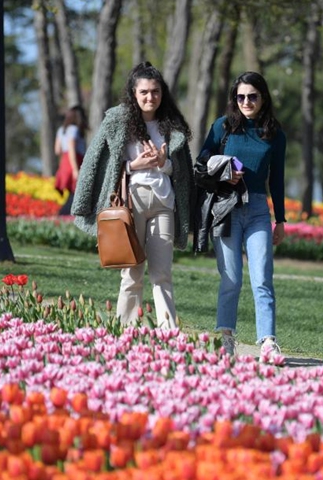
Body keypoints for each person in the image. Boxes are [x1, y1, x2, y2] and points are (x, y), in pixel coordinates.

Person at [70, 62, 194, 330]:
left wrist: (163, 162)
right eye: (144, 92)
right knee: (132, 271)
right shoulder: (118, 121)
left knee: (162, 273)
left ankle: (168, 332)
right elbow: (100, 163)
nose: (150, 97)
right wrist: (133, 165)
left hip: (164, 203)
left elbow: (181, 171)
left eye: (156, 91)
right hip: (132, 202)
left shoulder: (171, 125)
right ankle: (125, 330)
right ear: (134, 93)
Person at [195, 71, 286, 359]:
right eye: (240, 97)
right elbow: (202, 161)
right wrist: (224, 172)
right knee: (231, 279)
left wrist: (280, 220)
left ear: (263, 98)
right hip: (227, 208)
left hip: (258, 210)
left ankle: (268, 342)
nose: (246, 102)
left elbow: (277, 179)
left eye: (252, 96)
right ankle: (226, 338)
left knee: (262, 278)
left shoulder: (275, 134)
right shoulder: (223, 127)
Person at [55, 105, 88, 215]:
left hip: (64, 162)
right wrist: (75, 169)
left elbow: (57, 150)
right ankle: (64, 214)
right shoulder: (74, 129)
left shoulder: (61, 130)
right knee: (75, 192)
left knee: (72, 193)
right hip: (74, 162)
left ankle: (65, 214)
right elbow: (71, 148)